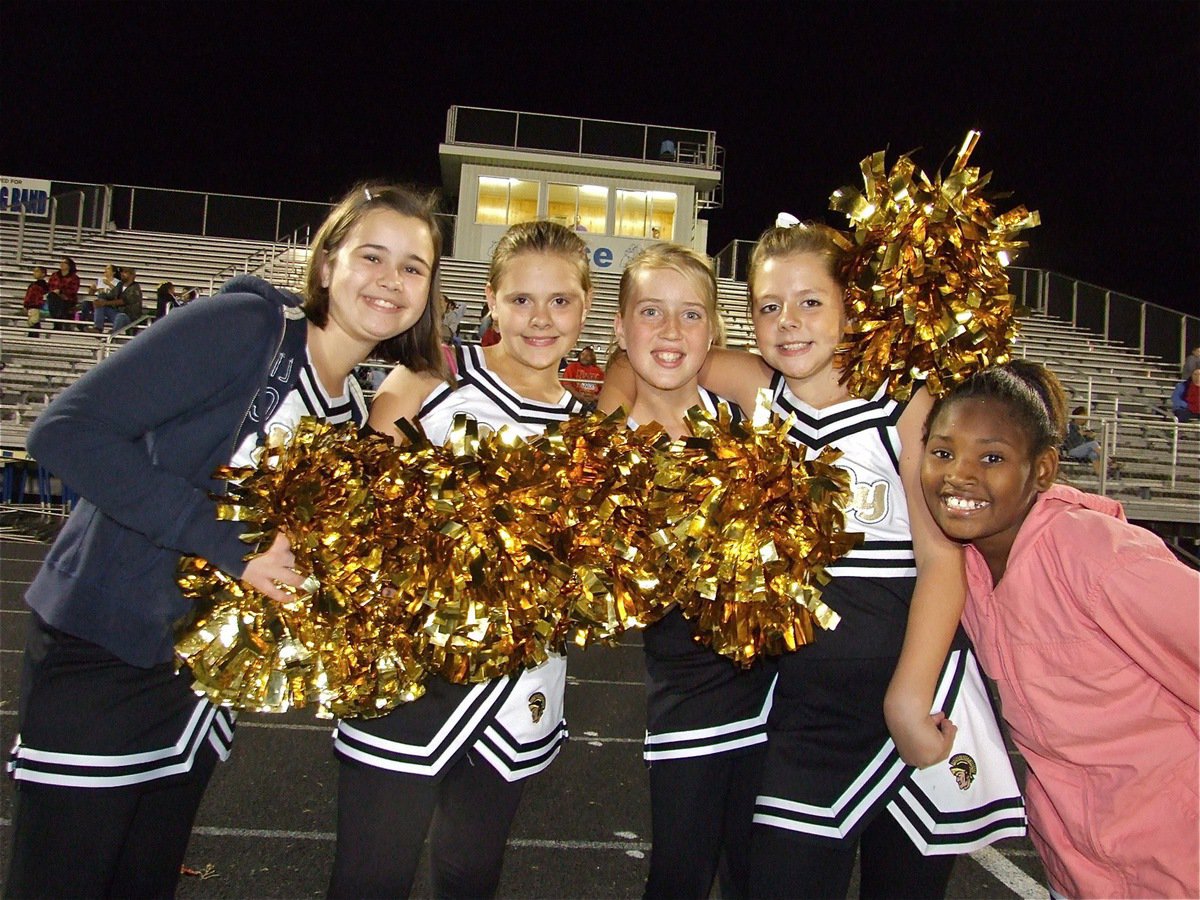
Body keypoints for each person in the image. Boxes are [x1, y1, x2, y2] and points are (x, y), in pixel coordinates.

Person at [4, 182, 449, 899]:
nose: (390, 281)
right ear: (328, 262)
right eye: (372, 255)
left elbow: (279, 562)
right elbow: (65, 432)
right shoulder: (249, 327)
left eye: (413, 267)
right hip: (103, 651)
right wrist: (227, 543)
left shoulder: (351, 410)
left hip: (194, 689)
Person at [600, 221, 1024, 899]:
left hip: (915, 693)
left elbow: (942, 565)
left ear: (851, 310)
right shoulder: (761, 398)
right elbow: (648, 352)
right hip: (808, 714)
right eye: (769, 307)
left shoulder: (903, 409)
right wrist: (608, 424)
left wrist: (908, 698)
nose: (788, 322)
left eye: (810, 303)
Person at [331, 220, 592, 900]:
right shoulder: (430, 378)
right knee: (369, 878)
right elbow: (358, 507)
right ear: (492, 300)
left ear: (586, 307)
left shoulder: (589, 433)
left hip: (521, 687)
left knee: (470, 875)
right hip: (412, 675)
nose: (541, 319)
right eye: (522, 300)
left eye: (561, 301)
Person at [920, 361, 1199, 899]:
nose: (960, 473)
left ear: (1042, 469)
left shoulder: (1094, 554)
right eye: (943, 452)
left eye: (993, 457)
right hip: (1078, 870)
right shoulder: (965, 573)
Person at [613, 243, 771, 900]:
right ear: (620, 330)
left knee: (759, 880)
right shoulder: (604, 453)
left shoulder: (746, 411)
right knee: (679, 876)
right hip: (688, 700)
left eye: (690, 315)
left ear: (713, 330)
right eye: (651, 313)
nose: (671, 331)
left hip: (783, 695)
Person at [46, 256, 80, 328]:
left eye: (65, 263)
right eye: (61, 262)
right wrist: (56, 292)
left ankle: (57, 323)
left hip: (68, 299)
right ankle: (57, 320)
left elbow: (73, 290)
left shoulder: (74, 277)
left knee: (58, 301)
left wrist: (61, 292)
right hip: (54, 297)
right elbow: (49, 286)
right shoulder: (55, 275)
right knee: (52, 297)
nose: (62, 264)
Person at [91, 263, 124, 332]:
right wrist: (92, 289)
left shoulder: (118, 283)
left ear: (113, 272)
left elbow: (117, 295)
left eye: (108, 268)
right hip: (99, 305)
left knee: (101, 300)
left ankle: (98, 328)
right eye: (105, 268)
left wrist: (109, 284)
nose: (105, 270)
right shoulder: (99, 280)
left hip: (110, 306)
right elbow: (91, 293)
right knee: (91, 303)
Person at [22, 265, 49, 336]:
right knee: (32, 321)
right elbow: (28, 296)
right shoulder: (32, 285)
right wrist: (26, 305)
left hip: (37, 306)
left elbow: (41, 297)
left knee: (34, 320)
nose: (34, 273)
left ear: (43, 274)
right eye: (34, 271)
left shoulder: (44, 286)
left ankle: (34, 335)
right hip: (31, 306)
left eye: (37, 271)